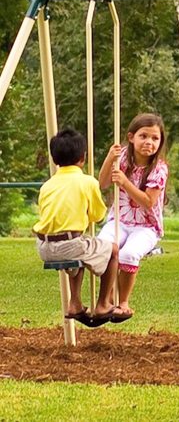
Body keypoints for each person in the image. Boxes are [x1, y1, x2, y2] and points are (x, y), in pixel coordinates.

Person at [33, 129, 120, 327]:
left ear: (55, 159)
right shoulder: (88, 182)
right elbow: (98, 216)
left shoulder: (47, 185)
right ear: (83, 157)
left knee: (79, 250)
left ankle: (75, 303)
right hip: (69, 244)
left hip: (43, 247)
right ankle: (103, 304)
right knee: (113, 251)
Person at [96, 113, 169, 322]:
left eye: (155, 138)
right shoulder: (122, 158)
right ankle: (106, 299)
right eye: (143, 136)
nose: (149, 142)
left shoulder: (159, 168)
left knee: (128, 254)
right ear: (131, 137)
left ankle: (123, 302)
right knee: (104, 247)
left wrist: (125, 183)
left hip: (147, 226)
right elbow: (103, 183)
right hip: (118, 221)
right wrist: (110, 158)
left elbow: (148, 202)